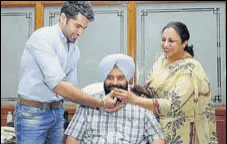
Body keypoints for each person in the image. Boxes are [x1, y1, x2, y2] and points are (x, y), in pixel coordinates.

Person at [14, 1, 116, 144]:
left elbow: (71, 88)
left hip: (57, 113)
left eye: (84, 28)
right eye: (77, 26)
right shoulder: (43, 38)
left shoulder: (74, 49)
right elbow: (59, 86)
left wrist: (100, 94)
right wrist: (99, 102)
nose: (80, 32)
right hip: (32, 114)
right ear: (63, 18)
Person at [113, 21, 218, 144]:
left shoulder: (190, 69)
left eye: (171, 41)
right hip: (157, 131)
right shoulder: (161, 61)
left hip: (182, 134)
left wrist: (134, 100)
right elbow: (150, 90)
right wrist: (129, 90)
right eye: (163, 40)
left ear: (184, 43)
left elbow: (171, 105)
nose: (165, 45)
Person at [64, 53, 165, 144]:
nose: (115, 83)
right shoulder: (89, 103)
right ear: (104, 79)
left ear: (127, 81)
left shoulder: (140, 105)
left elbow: (158, 139)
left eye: (120, 78)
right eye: (110, 78)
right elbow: (72, 139)